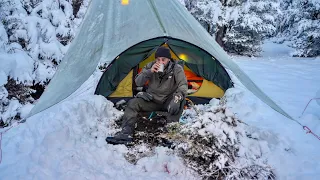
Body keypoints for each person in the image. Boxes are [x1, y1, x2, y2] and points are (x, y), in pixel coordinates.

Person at [106, 46, 188, 145]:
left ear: (169, 59)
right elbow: (138, 82)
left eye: (163, 59)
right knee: (133, 103)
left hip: (168, 100)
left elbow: (183, 85)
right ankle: (126, 134)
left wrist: (177, 97)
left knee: (178, 102)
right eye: (158, 59)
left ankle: (169, 135)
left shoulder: (176, 68)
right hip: (152, 100)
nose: (161, 62)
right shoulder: (150, 66)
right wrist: (149, 72)